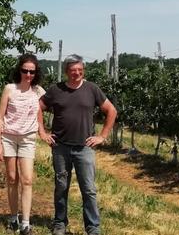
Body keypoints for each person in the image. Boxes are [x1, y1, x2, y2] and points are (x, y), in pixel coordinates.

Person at [39, 54, 117, 235]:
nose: (76, 73)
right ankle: (59, 223)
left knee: (88, 189)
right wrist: (42, 132)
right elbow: (38, 107)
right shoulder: (55, 90)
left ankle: (92, 228)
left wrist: (103, 136)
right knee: (61, 187)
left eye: (80, 70)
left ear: (83, 71)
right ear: (66, 71)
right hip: (61, 147)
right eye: (73, 70)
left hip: (84, 148)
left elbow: (111, 110)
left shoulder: (92, 89)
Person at [0, 53, 45, 235]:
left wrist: (43, 131)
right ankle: (12, 217)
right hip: (9, 137)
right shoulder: (10, 89)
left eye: (32, 72)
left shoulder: (38, 91)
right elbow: (0, 117)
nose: (28, 75)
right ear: (20, 70)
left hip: (27, 139)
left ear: (36, 73)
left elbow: (41, 113)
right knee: (11, 178)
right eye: (25, 71)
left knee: (28, 180)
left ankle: (25, 222)